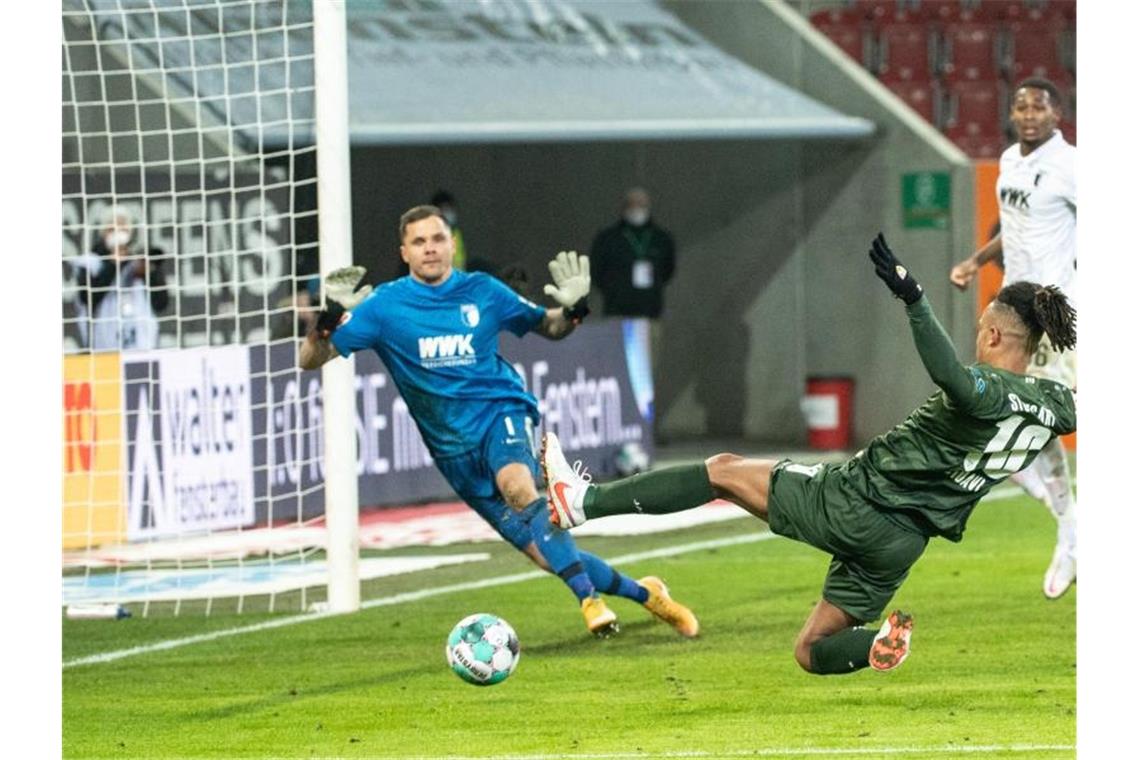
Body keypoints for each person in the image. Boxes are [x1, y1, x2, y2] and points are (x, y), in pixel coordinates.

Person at [543, 233, 1076, 675]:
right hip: (903, 545)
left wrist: (913, 297)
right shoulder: (1054, 406)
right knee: (811, 650)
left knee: (722, 472)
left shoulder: (986, 387)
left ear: (993, 331)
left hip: (859, 501)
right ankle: (874, 644)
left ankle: (583, 501)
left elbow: (954, 379)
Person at [299, 204, 698, 639]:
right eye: (419, 242)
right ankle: (646, 594)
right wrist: (324, 323)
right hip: (453, 451)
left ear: (452, 244)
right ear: (404, 252)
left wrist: (574, 310)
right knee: (547, 555)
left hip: (501, 415)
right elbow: (310, 360)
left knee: (518, 488)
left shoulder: (483, 290)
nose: (430, 249)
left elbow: (549, 326)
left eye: (437, 239)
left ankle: (590, 601)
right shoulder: (383, 307)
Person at [948, 77, 1078, 600]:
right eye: (1021, 105)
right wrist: (975, 261)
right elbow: (1014, 224)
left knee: (1046, 412)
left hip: (1054, 305)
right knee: (996, 409)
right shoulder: (1008, 160)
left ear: (1057, 113)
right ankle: (1071, 525)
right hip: (1011, 303)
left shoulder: (1072, 166)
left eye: (1038, 106)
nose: (1028, 113)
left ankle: (1071, 529)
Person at [74, 206, 169, 351]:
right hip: (104, 348)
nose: (118, 233)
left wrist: (149, 273)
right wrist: (113, 264)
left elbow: (162, 304)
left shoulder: (140, 260)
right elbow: (86, 298)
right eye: (113, 228)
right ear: (103, 233)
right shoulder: (90, 262)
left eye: (123, 228)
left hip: (142, 347)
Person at [590, 187, 676, 319]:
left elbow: (668, 269)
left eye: (641, 204)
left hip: (651, 308)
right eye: (632, 204)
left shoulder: (661, 238)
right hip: (617, 309)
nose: (636, 208)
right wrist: (614, 290)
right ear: (624, 207)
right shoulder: (608, 238)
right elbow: (597, 270)